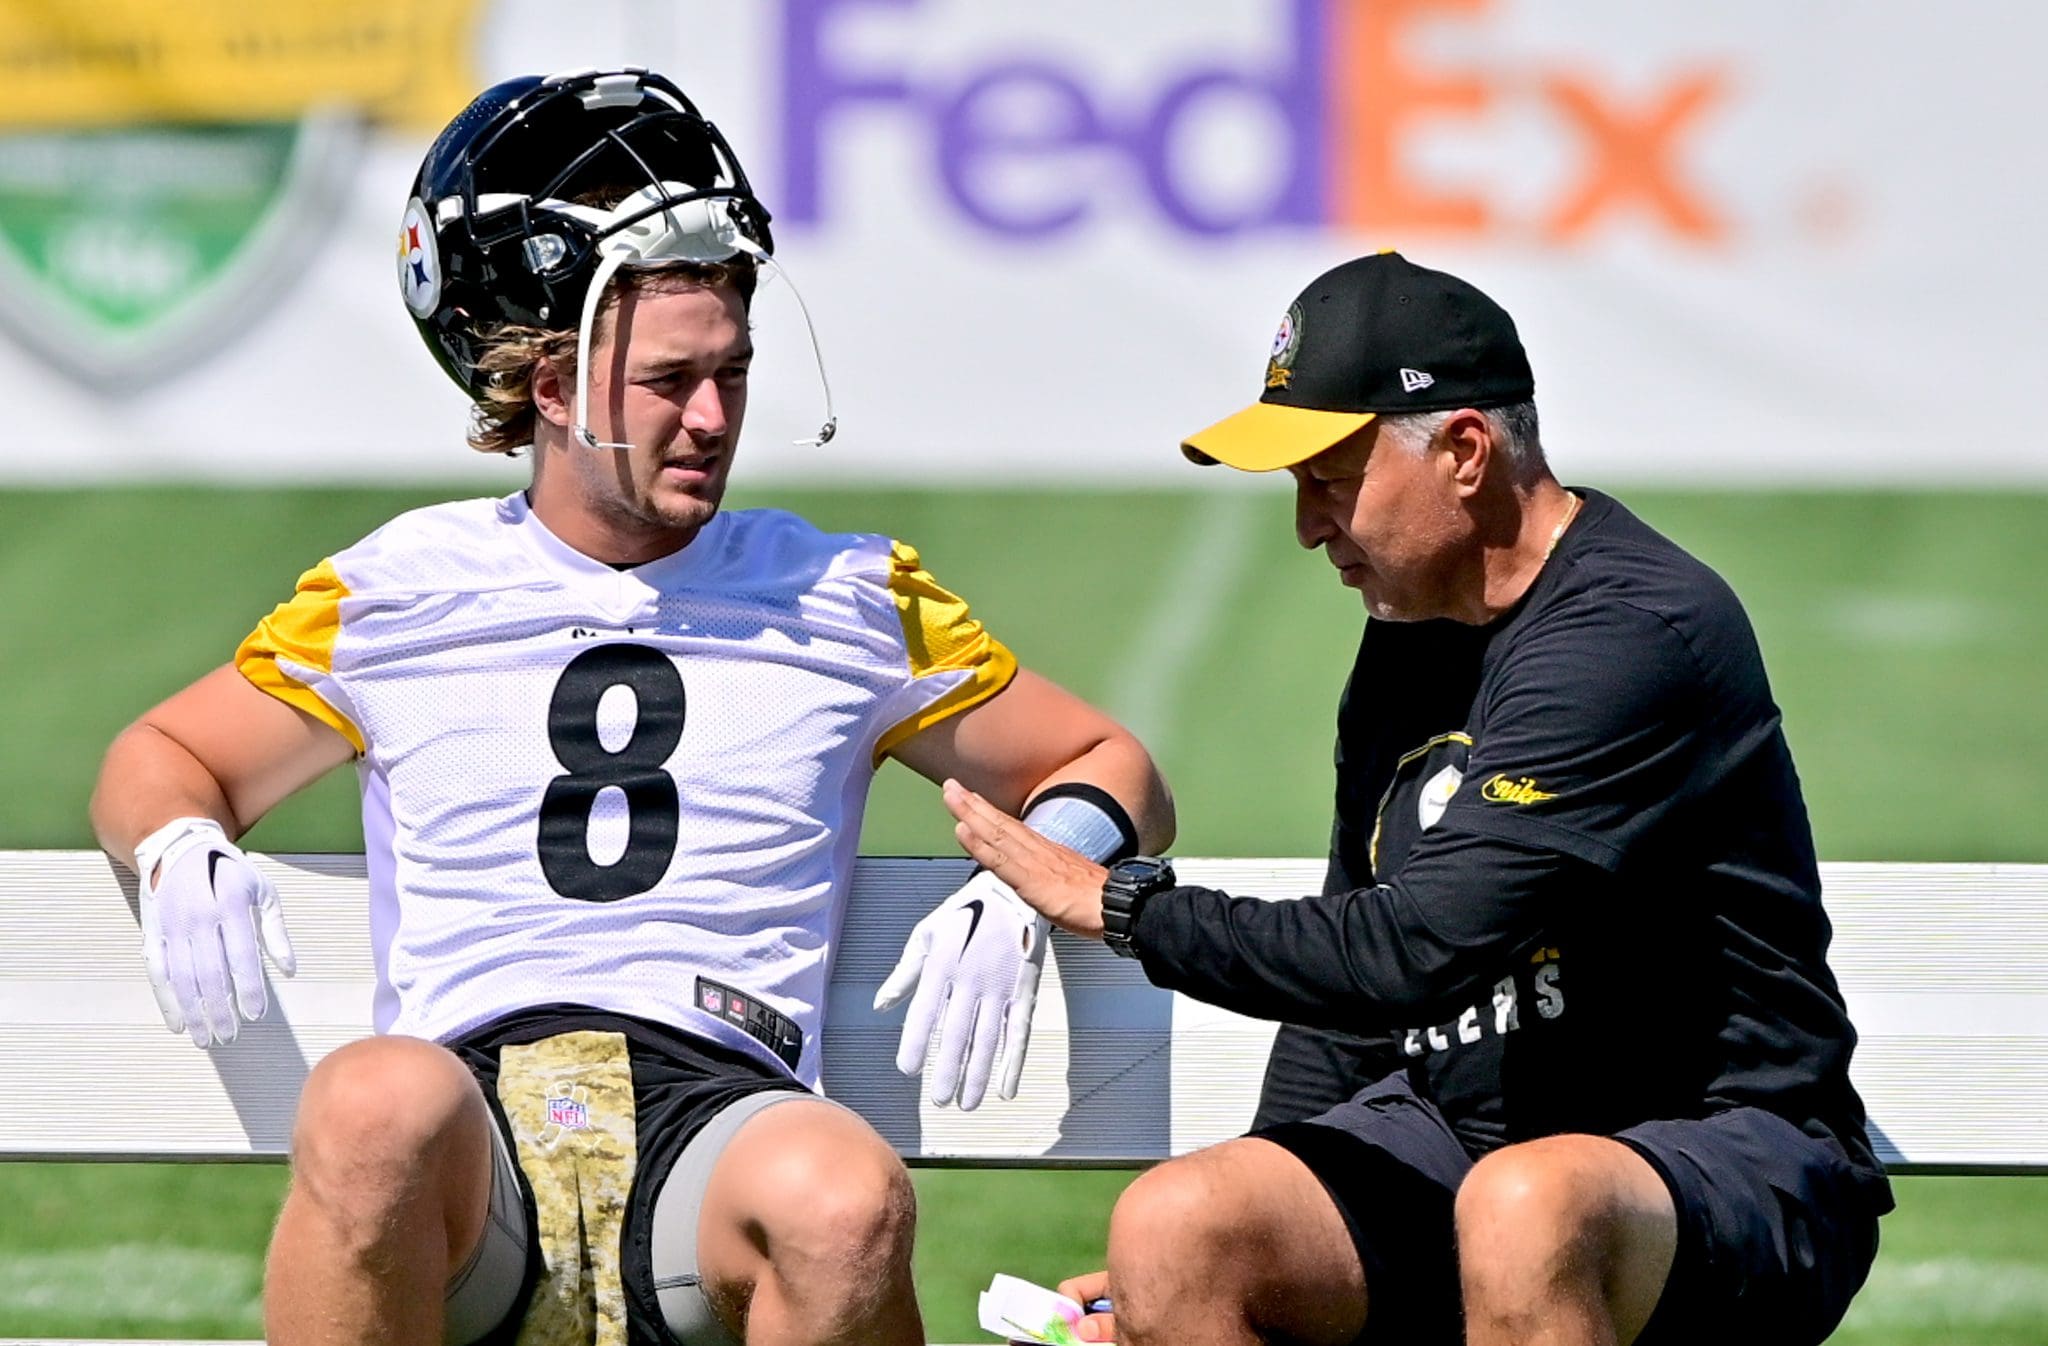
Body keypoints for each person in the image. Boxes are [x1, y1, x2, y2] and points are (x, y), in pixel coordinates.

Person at [88, 69, 1171, 1346]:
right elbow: (162, 752)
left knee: (847, 1194)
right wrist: (174, 841)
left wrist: (1037, 871)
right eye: (669, 380)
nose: (712, 418)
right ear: (550, 383)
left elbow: (1113, 763)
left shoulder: (846, 593)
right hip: (471, 1141)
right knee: (372, 1102)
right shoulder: (396, 590)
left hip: (717, 1117)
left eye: (733, 371)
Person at [944, 252, 1892, 1346]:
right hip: (1460, 1139)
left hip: (1720, 1152)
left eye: (1330, 477)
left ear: (1462, 450)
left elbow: (1407, 951)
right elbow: (1350, 978)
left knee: (1524, 1208)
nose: (1306, 524)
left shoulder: (1630, 633)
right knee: (1179, 1226)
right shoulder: (1405, 633)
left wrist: (1125, 905)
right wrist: (1261, 1213)